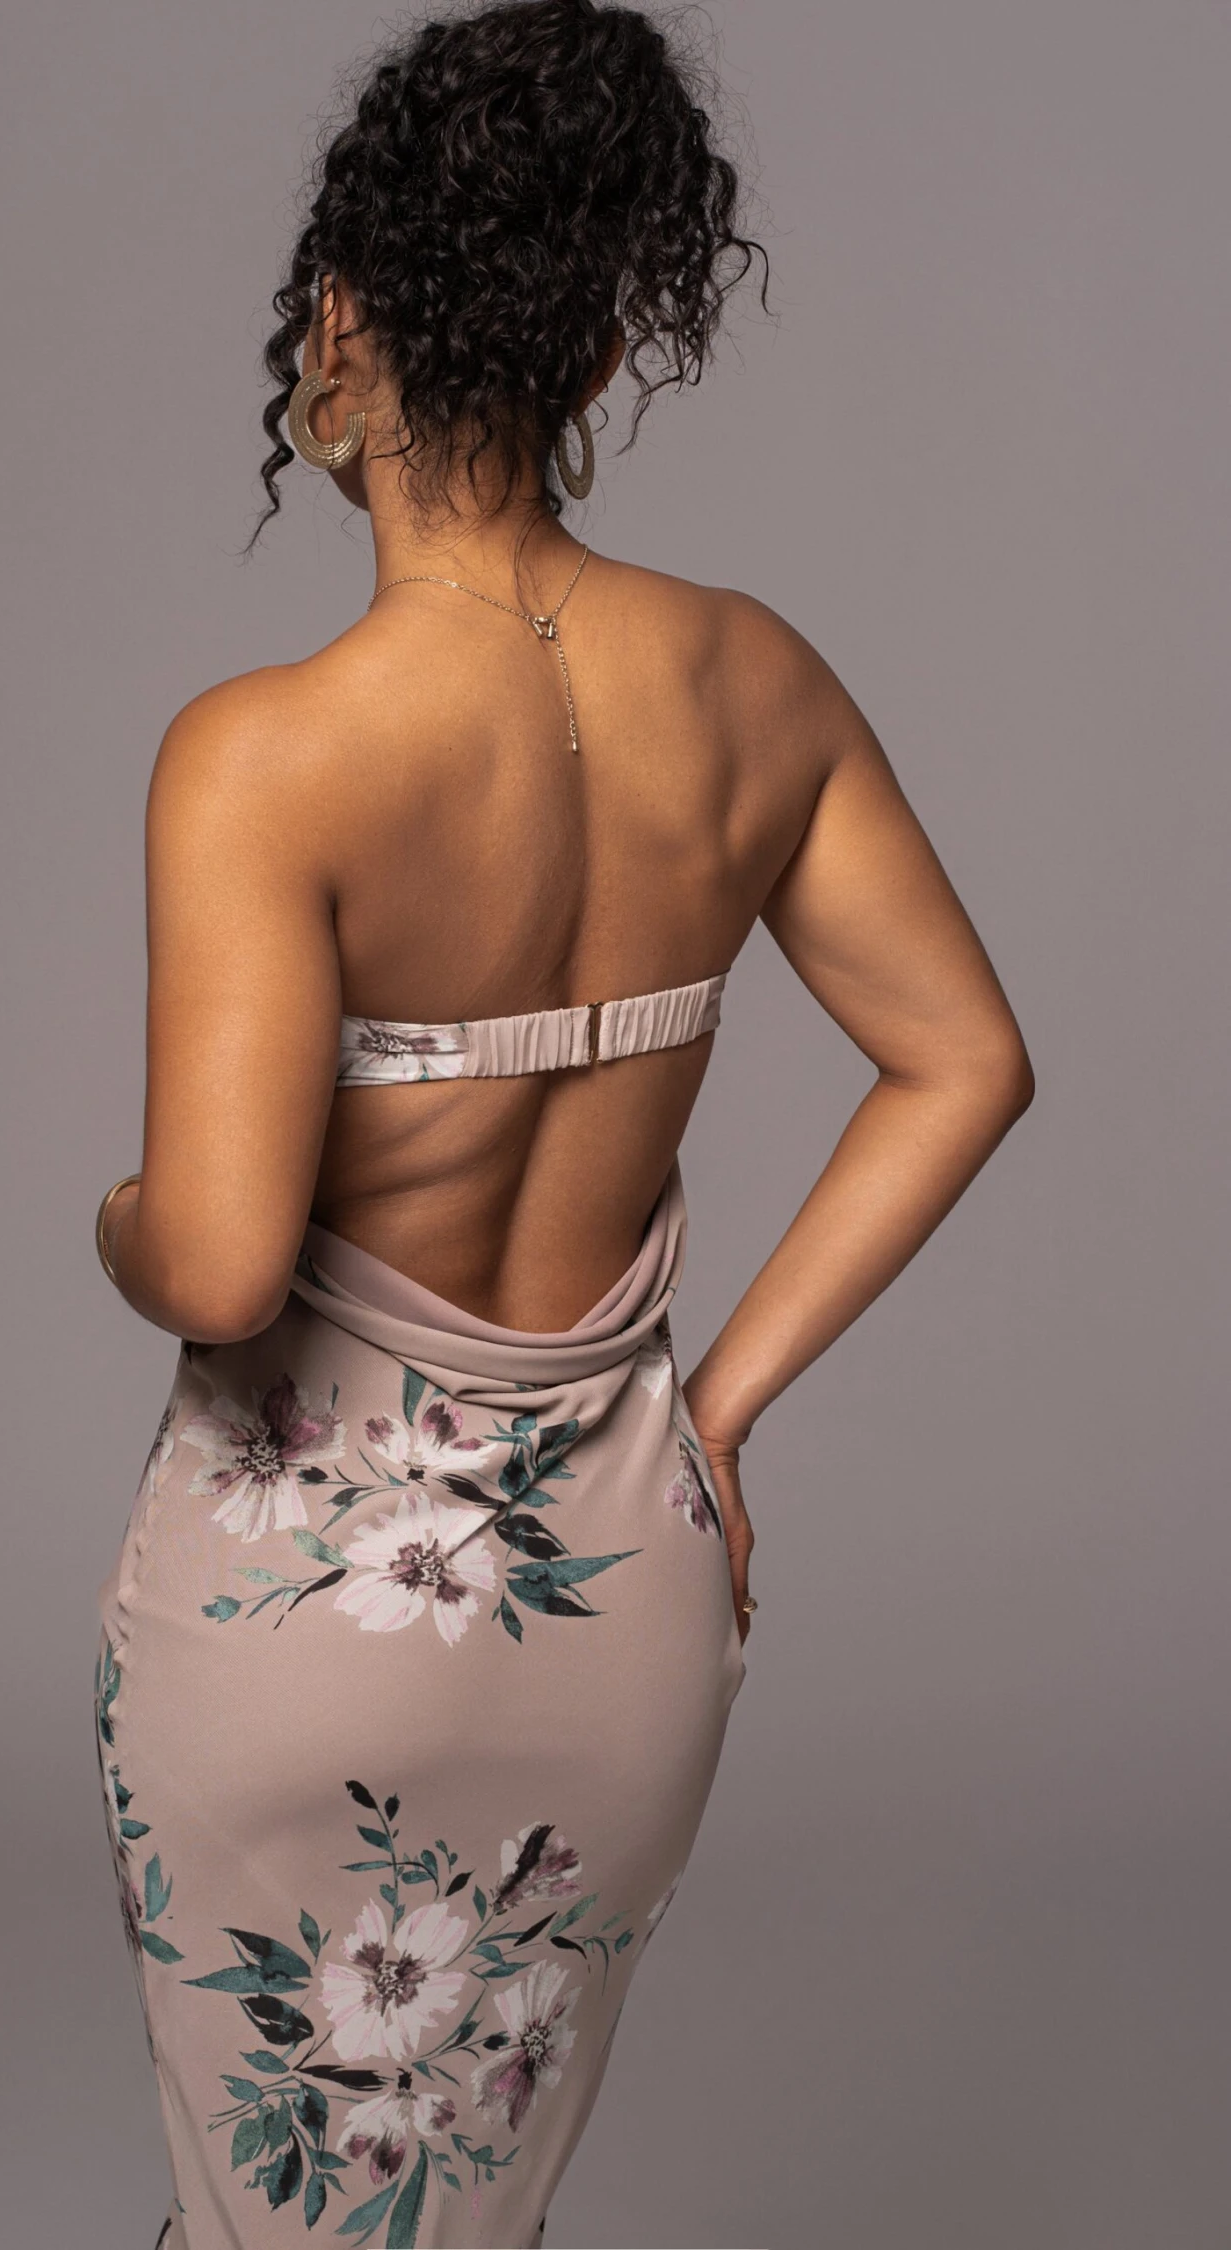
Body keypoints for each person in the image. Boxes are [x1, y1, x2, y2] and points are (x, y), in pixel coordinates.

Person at [90, 3, 1034, 2243]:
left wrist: (115, 1213)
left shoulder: (266, 752)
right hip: (617, 1597)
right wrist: (717, 1412)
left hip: (302, 1624)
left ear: (340, 319)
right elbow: (966, 1056)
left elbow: (216, 1258)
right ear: (607, 339)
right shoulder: (753, 680)